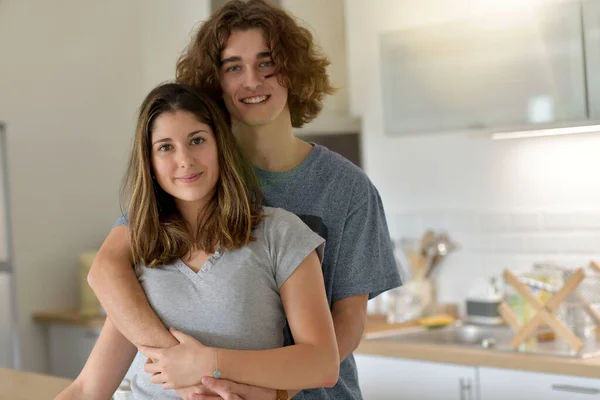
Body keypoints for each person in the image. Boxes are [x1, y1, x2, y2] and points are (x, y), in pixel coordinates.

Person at [88, 0, 402, 399]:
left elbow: (349, 320)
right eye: (233, 66)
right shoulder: (195, 175)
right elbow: (106, 270)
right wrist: (185, 366)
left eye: (267, 62)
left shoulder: (347, 188)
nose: (252, 80)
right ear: (214, 81)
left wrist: (272, 392)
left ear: (293, 71)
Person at [56, 83, 339, 399]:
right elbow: (87, 389)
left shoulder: (281, 234)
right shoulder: (141, 252)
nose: (185, 160)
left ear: (220, 145)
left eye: (197, 140)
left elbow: (321, 363)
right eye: (165, 147)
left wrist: (207, 363)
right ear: (149, 162)